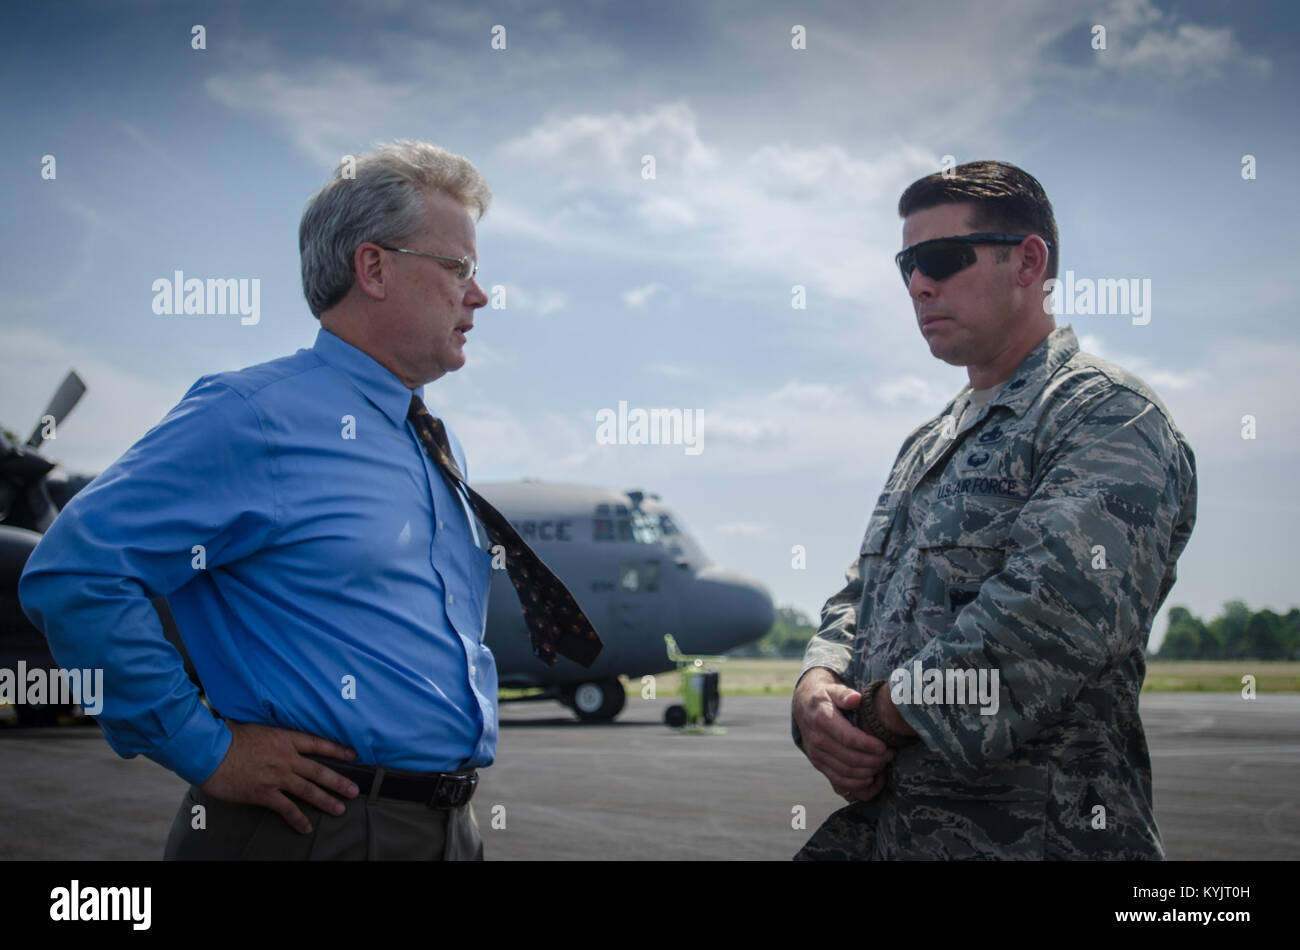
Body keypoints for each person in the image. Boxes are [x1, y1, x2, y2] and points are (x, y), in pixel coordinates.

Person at [20, 140, 502, 860]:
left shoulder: (434, 442)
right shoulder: (252, 415)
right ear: (373, 267)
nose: (479, 293)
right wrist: (206, 750)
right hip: (315, 832)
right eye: (458, 267)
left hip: (445, 827)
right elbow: (75, 573)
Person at [791, 160, 1197, 860]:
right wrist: (817, 691)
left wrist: (881, 718)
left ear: (1028, 263)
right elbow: (858, 595)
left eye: (943, 258)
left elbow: (1050, 616)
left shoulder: (1105, 417)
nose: (920, 284)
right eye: (907, 265)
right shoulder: (928, 443)